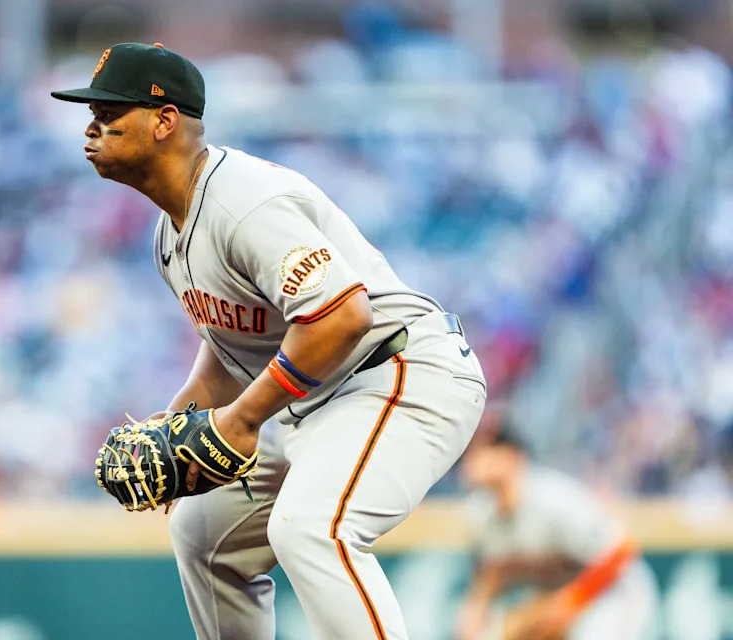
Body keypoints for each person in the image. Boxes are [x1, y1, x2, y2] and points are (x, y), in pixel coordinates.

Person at [52, 42, 486, 640]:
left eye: (109, 111)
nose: (92, 126)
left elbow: (341, 318)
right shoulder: (168, 234)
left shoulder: (242, 200)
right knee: (204, 536)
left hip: (400, 371)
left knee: (311, 527)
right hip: (319, 399)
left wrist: (242, 420)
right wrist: (179, 420)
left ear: (164, 121)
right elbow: (231, 348)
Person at [456, 424, 658, 640]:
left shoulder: (554, 499)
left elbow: (622, 551)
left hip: (615, 595)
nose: (471, 459)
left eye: (483, 449)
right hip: (556, 596)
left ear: (511, 455)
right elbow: (489, 579)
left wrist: (571, 602)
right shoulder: (479, 514)